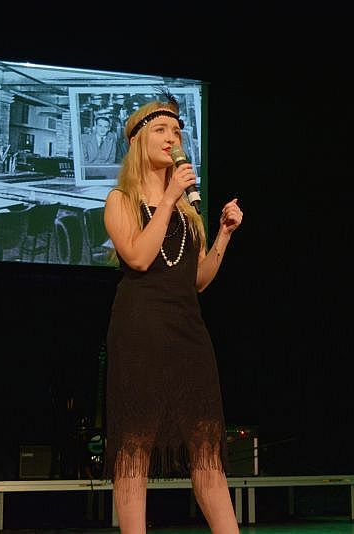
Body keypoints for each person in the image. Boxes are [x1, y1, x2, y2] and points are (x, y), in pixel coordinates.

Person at [103, 94, 243, 534]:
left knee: (206, 448)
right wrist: (167, 199)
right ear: (138, 141)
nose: (172, 138)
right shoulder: (120, 200)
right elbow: (139, 257)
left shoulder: (187, 212)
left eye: (177, 132)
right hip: (140, 332)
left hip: (188, 334)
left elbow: (197, 280)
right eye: (161, 130)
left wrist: (223, 235)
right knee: (135, 448)